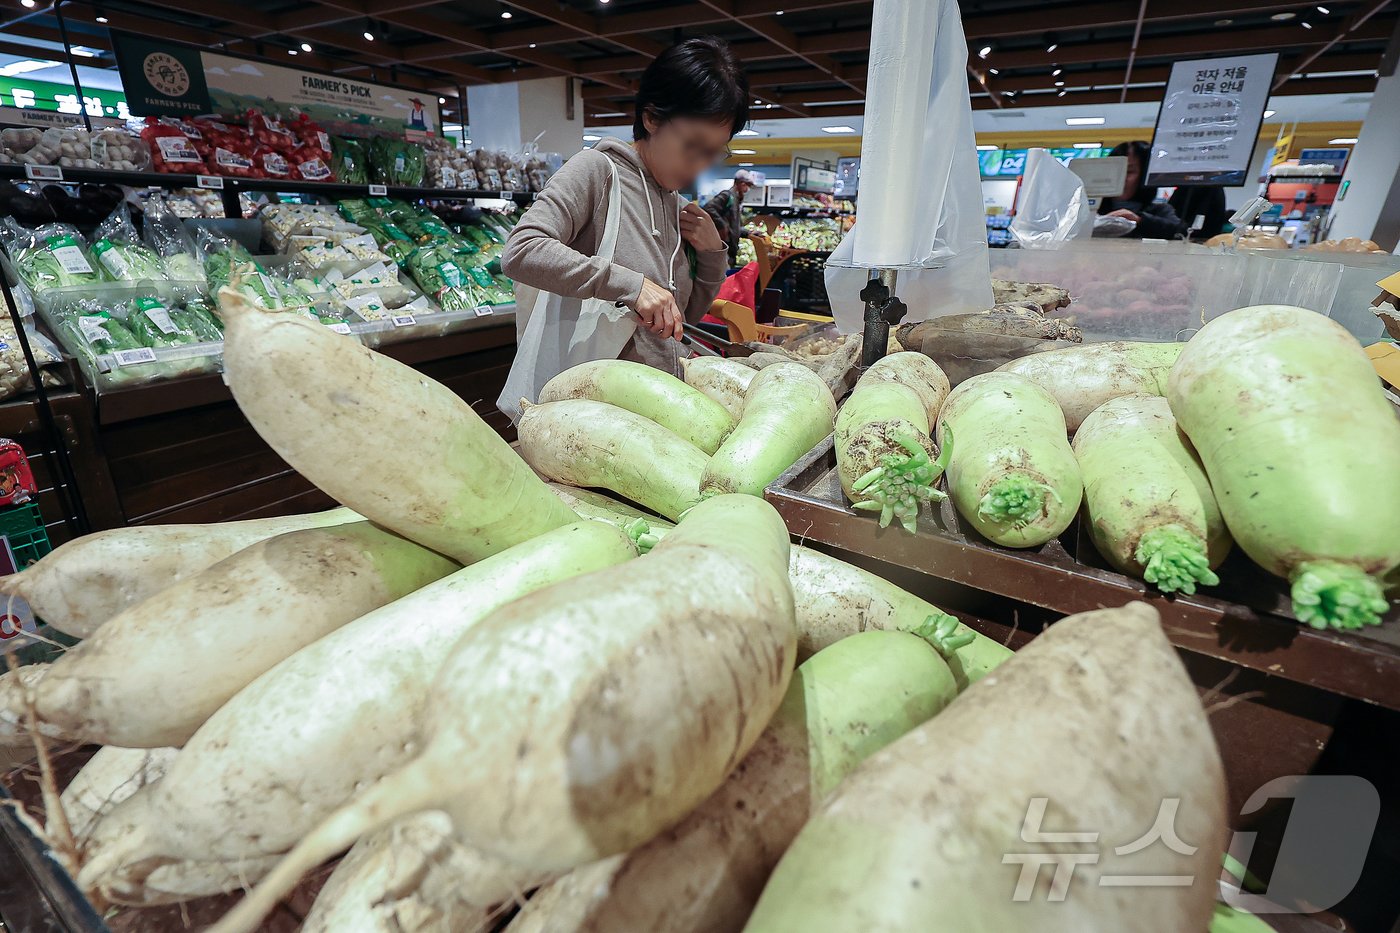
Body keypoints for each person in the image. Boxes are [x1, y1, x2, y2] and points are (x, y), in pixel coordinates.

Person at [501, 37, 745, 383]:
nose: (700, 165)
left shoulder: (677, 206)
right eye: (693, 145)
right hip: (591, 407)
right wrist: (629, 284)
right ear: (651, 118)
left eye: (714, 152)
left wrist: (710, 254)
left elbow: (680, 320)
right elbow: (521, 251)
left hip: (659, 403)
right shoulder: (597, 172)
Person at [1098, 140, 1185, 239]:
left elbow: (1180, 231)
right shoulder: (1092, 210)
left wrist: (1140, 221)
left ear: (1144, 176)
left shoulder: (1160, 211)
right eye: (1114, 171)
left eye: (1129, 171)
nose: (1121, 177)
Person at [704, 169, 759, 267]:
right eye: (748, 185)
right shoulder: (727, 196)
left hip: (732, 249)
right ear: (742, 184)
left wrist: (747, 232)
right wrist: (723, 226)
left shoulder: (736, 199)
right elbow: (709, 208)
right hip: (725, 247)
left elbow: (734, 226)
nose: (747, 189)